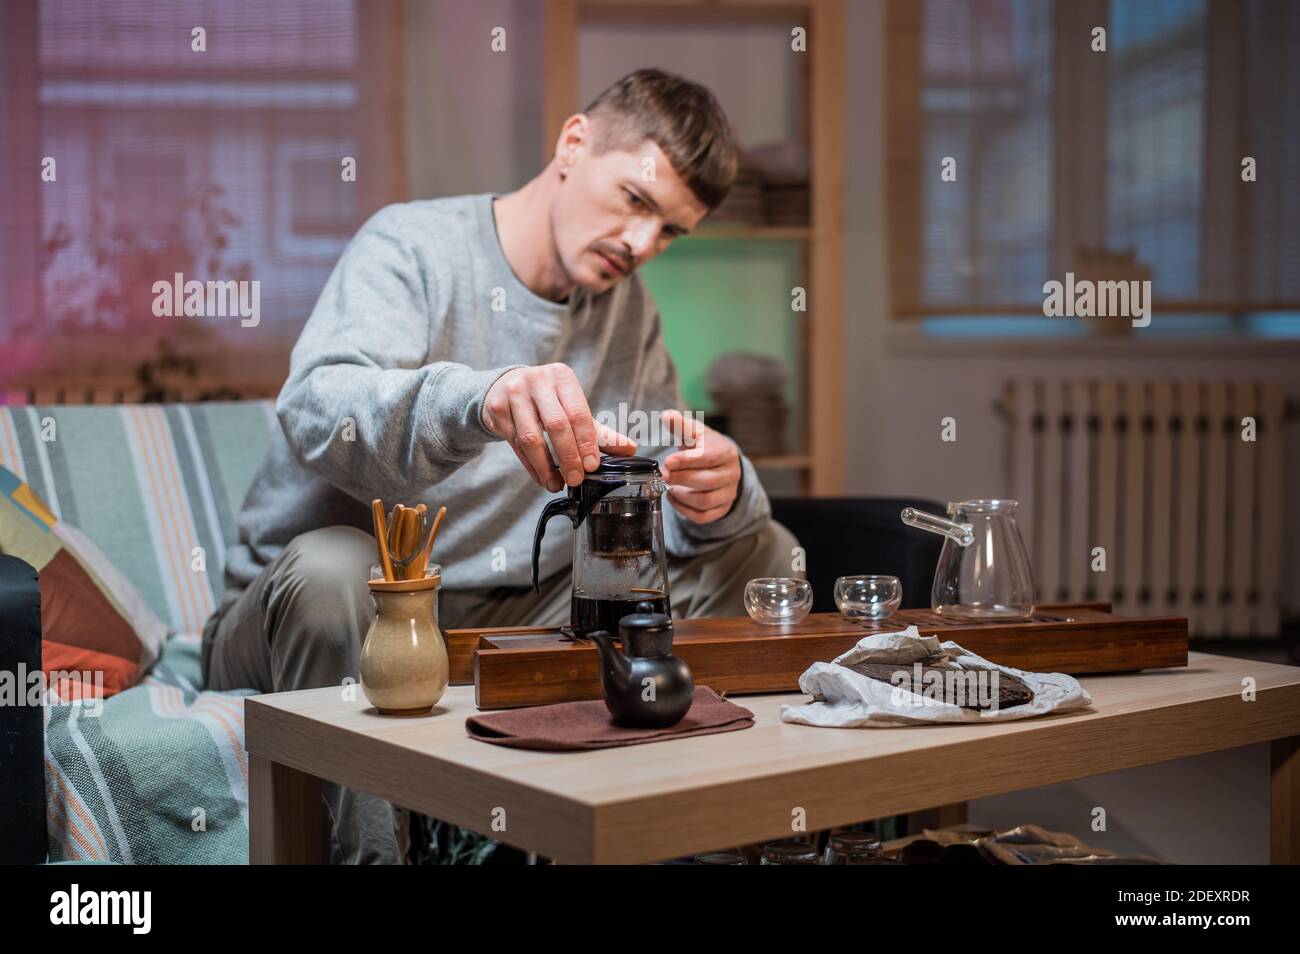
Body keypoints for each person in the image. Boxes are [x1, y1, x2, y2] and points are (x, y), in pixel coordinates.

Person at [201, 68, 800, 864]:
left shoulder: (631, 312)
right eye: (636, 201)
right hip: (335, 608)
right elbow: (317, 408)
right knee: (336, 568)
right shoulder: (410, 245)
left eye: (671, 233)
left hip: (507, 615)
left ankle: (679, 830)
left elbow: (647, 523)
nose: (643, 245)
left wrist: (719, 492)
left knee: (766, 548)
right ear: (573, 142)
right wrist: (479, 401)